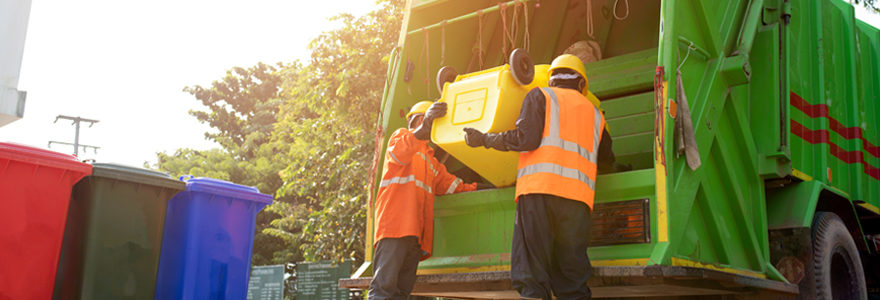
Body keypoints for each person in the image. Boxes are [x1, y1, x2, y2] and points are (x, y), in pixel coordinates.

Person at [462, 54, 615, 299]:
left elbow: (526, 139)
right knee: (572, 279)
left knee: (533, 277)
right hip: (577, 201)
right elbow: (607, 158)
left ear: (552, 79)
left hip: (538, 193)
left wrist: (484, 139)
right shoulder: (596, 115)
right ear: (581, 84)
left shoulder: (540, 96)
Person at [369, 100, 479, 299]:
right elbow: (400, 153)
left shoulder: (430, 160)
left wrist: (486, 186)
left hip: (414, 233)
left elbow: (454, 186)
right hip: (395, 228)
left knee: (402, 291)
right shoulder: (400, 136)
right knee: (383, 289)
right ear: (420, 120)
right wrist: (423, 128)